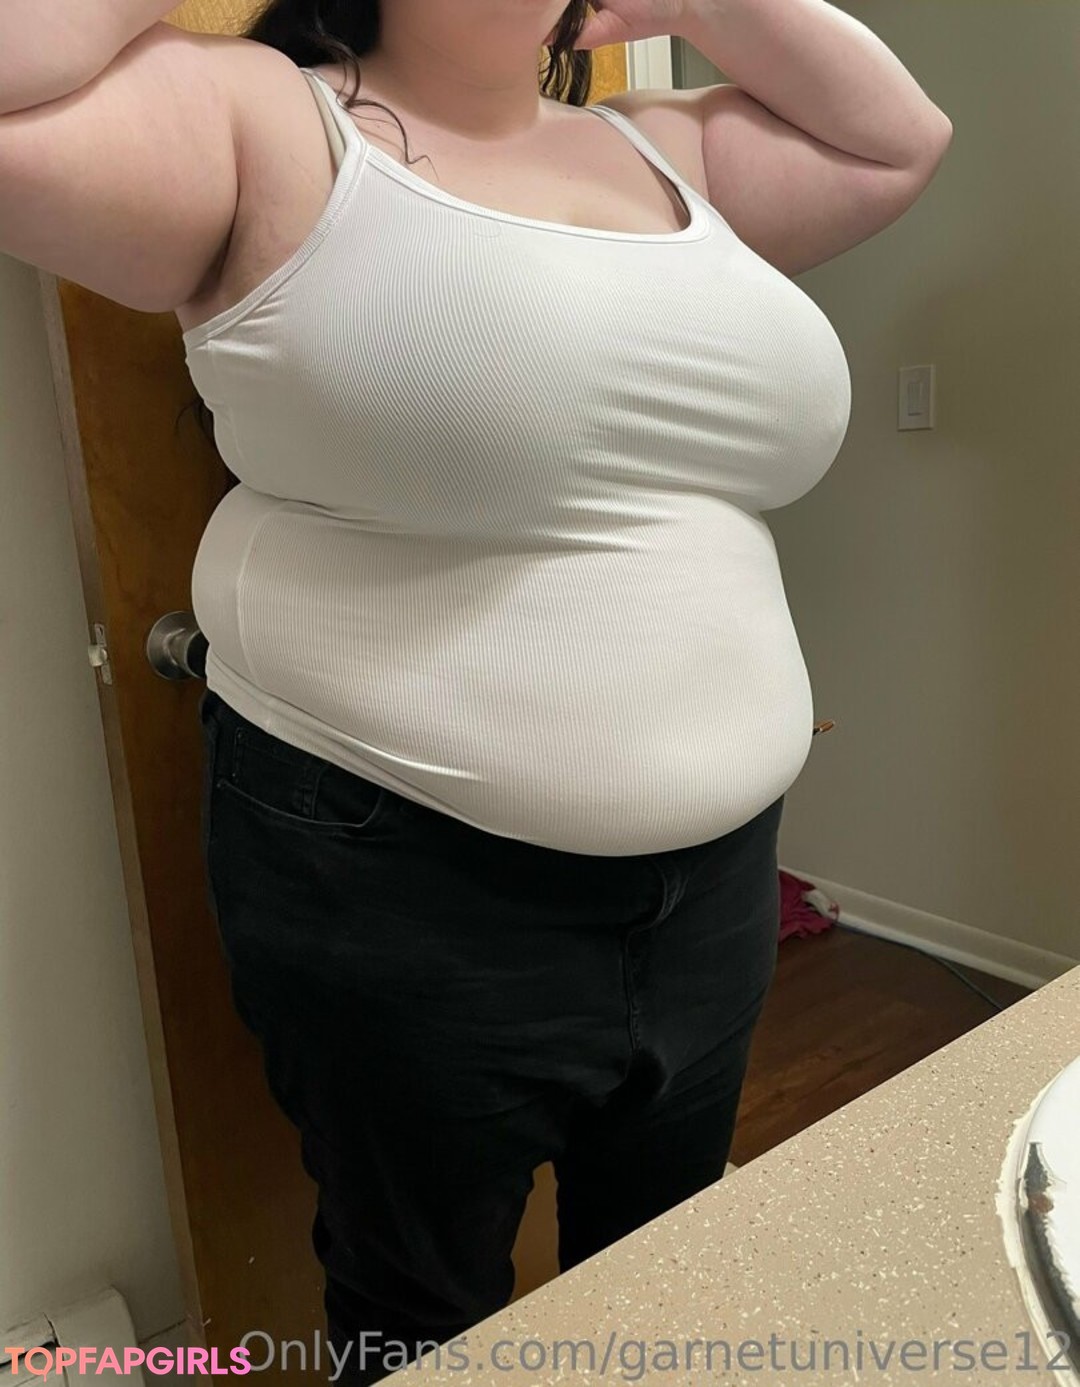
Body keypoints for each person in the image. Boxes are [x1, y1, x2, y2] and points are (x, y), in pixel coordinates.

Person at [0, 1, 951, 1381]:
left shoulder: (663, 148)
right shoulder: (263, 120)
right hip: (404, 887)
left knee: (663, 1279)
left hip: (714, 890)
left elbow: (898, 140)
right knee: (422, 1316)